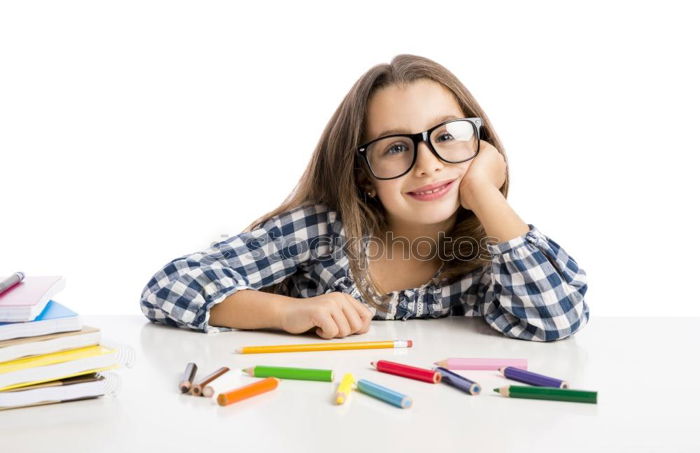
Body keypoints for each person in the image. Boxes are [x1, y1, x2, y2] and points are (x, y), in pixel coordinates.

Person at [140, 54, 589, 342]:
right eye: (396, 146)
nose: (428, 164)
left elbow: (556, 319)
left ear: (482, 145)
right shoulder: (319, 230)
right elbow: (168, 288)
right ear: (364, 175)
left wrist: (484, 192)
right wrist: (289, 312)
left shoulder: (496, 250)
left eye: (447, 136)